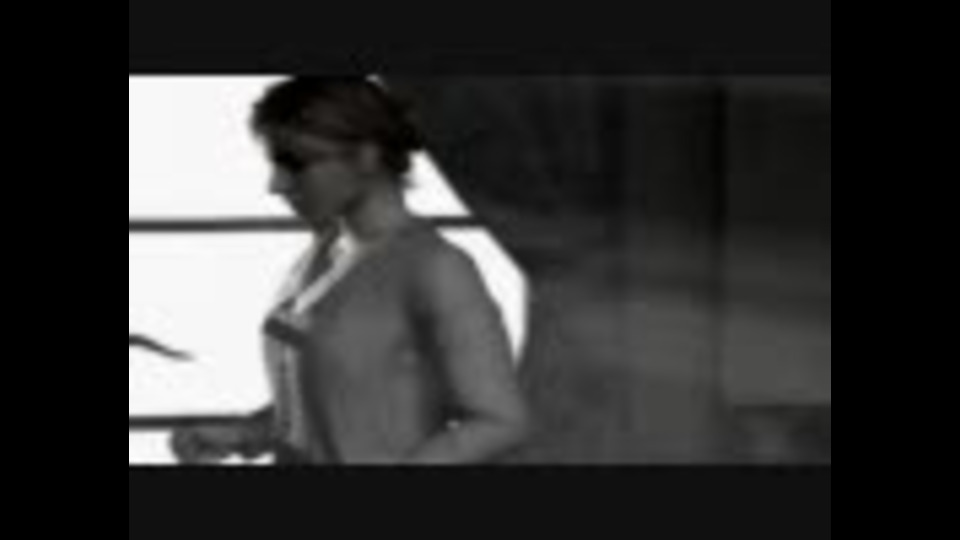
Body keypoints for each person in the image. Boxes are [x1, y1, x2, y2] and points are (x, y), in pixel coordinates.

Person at [171, 76, 530, 465]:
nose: (276, 184)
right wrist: (246, 433)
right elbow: (341, 399)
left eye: (295, 163)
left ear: (366, 157)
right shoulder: (324, 251)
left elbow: (501, 423)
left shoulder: (437, 268)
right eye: (275, 164)